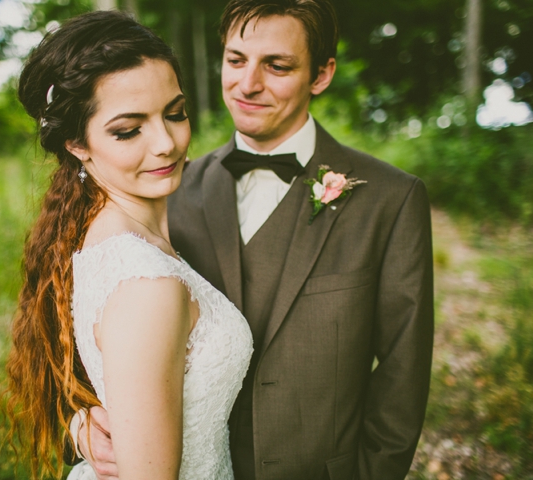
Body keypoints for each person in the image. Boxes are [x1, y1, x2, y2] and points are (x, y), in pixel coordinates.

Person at [75, 1, 434, 479]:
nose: (247, 85)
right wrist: (78, 428)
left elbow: (401, 378)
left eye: (277, 65)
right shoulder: (163, 188)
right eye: (236, 59)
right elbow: (84, 350)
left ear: (322, 74)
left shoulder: (391, 200)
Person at [3, 11, 253, 480]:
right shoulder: (146, 284)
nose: (166, 143)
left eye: (175, 113)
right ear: (78, 142)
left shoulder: (93, 230)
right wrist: (79, 428)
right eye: (128, 129)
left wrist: (80, 425)